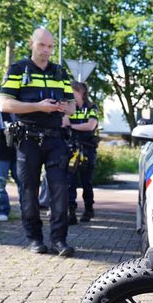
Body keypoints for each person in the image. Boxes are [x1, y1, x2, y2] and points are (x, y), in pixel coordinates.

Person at [0, 28, 76, 257]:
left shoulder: (59, 72)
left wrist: (63, 108)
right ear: (32, 43)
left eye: (51, 47)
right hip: (27, 139)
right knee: (29, 191)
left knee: (60, 190)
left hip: (54, 139)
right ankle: (34, 239)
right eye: (42, 45)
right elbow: (5, 104)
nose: (47, 51)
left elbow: (72, 106)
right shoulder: (17, 69)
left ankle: (59, 240)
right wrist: (38, 106)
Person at [65, 81, 99, 224]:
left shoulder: (91, 107)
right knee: (70, 181)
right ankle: (71, 212)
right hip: (71, 148)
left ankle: (88, 209)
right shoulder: (68, 107)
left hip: (87, 148)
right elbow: (63, 122)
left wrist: (72, 126)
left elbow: (91, 126)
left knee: (86, 181)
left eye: (72, 91)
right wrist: (76, 126)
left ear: (80, 92)